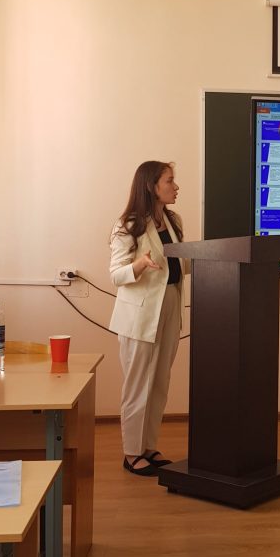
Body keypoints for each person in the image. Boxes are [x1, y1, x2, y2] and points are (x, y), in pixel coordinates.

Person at [109, 161, 187, 477]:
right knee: (138, 385)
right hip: (139, 314)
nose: (176, 187)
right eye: (170, 181)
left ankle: (148, 447)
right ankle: (132, 453)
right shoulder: (128, 224)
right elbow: (116, 274)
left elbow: (178, 265)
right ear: (152, 186)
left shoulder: (173, 220)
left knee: (159, 383)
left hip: (169, 305)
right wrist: (139, 264)